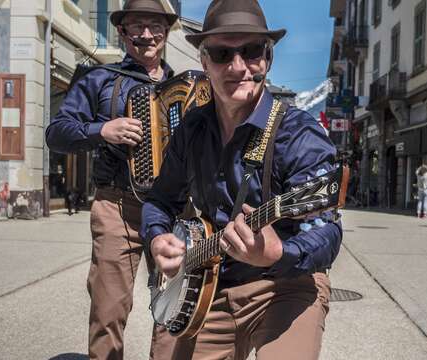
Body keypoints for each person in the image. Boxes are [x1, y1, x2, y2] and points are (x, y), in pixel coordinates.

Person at [141, 1, 343, 359]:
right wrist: (159, 240)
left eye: (251, 51)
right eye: (222, 53)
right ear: (204, 63)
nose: (239, 67)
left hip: (283, 285)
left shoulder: (298, 134)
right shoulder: (192, 128)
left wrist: (278, 252)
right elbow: (160, 200)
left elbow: (327, 231)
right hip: (206, 286)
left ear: (268, 58)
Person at [45, 0, 178, 358]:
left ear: (166, 32)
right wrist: (102, 129)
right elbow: (57, 132)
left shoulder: (187, 88)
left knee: (174, 310)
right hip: (117, 205)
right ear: (121, 32)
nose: (146, 35)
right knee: (108, 308)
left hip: (175, 213)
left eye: (154, 26)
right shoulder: (98, 80)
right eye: (136, 26)